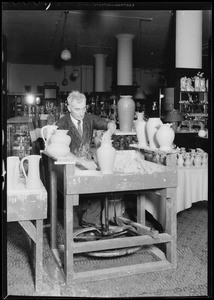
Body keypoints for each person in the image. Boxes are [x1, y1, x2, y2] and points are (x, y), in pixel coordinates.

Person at [56, 90, 116, 228]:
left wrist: (108, 132)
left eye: (84, 108)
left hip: (87, 164)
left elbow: (111, 123)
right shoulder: (62, 124)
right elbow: (61, 151)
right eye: (77, 109)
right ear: (69, 108)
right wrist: (83, 162)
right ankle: (76, 218)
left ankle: (89, 220)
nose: (81, 113)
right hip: (70, 166)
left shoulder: (88, 118)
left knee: (104, 185)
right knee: (72, 225)